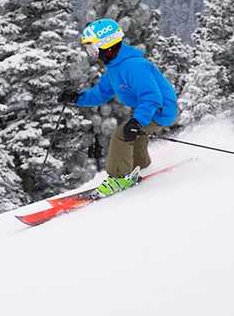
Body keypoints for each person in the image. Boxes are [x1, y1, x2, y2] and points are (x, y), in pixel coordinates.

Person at [60, 18, 179, 196]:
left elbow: (152, 97)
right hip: (150, 108)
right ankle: (140, 166)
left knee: (123, 134)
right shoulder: (115, 69)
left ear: (107, 45)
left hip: (161, 110)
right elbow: (100, 93)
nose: (91, 54)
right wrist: (76, 98)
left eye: (92, 48)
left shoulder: (134, 67)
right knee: (136, 135)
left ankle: (119, 177)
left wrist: (137, 121)